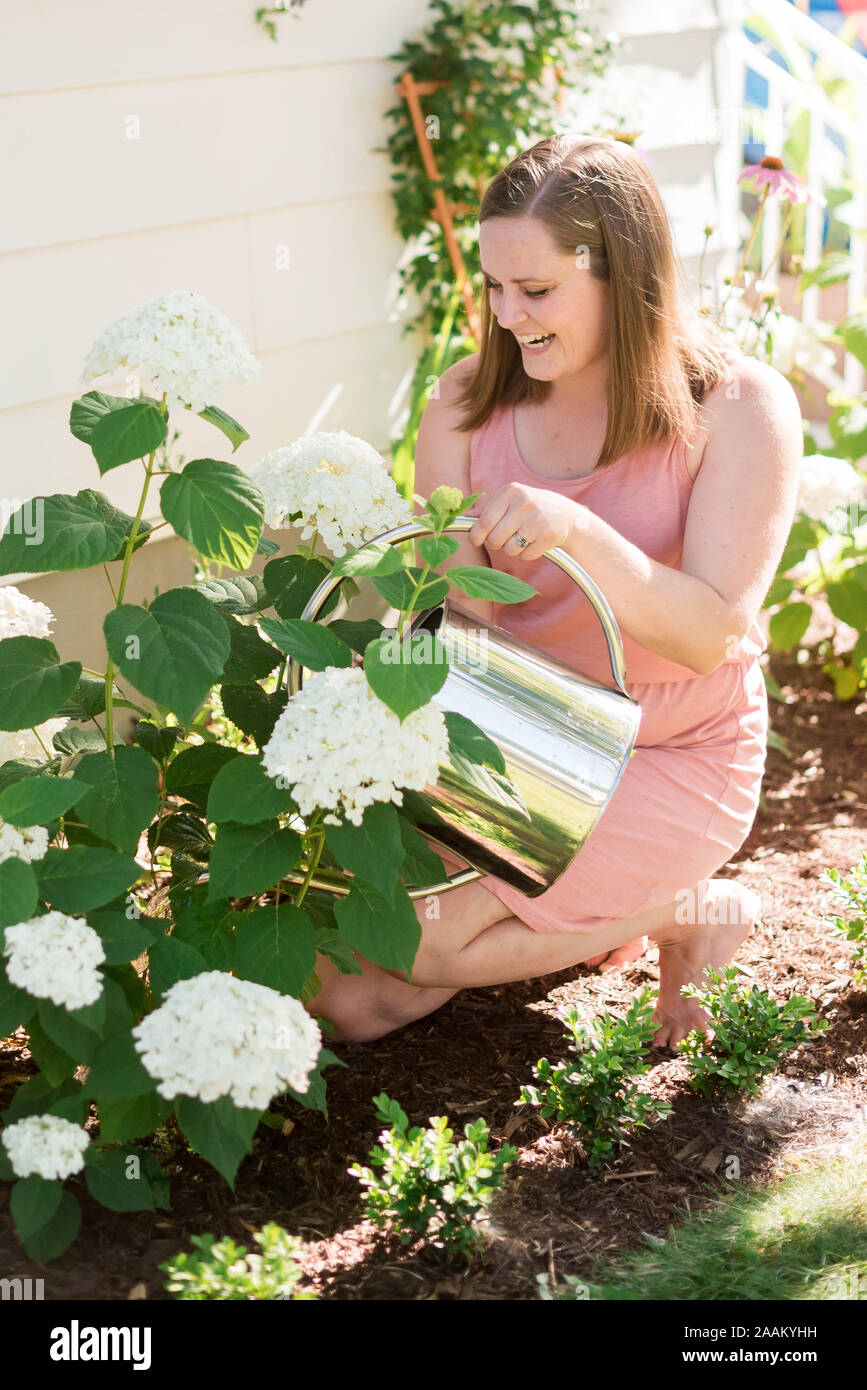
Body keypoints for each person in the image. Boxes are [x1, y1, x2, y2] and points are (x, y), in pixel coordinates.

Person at [310, 134, 803, 1049]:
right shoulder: (465, 403)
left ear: (624, 274)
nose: (507, 316)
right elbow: (457, 634)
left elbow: (711, 634)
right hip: (525, 739)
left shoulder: (737, 408)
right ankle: (626, 914)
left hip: (670, 743)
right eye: (495, 288)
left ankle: (687, 908)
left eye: (536, 292)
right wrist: (437, 602)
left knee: (420, 943)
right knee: (340, 993)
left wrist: (580, 531)